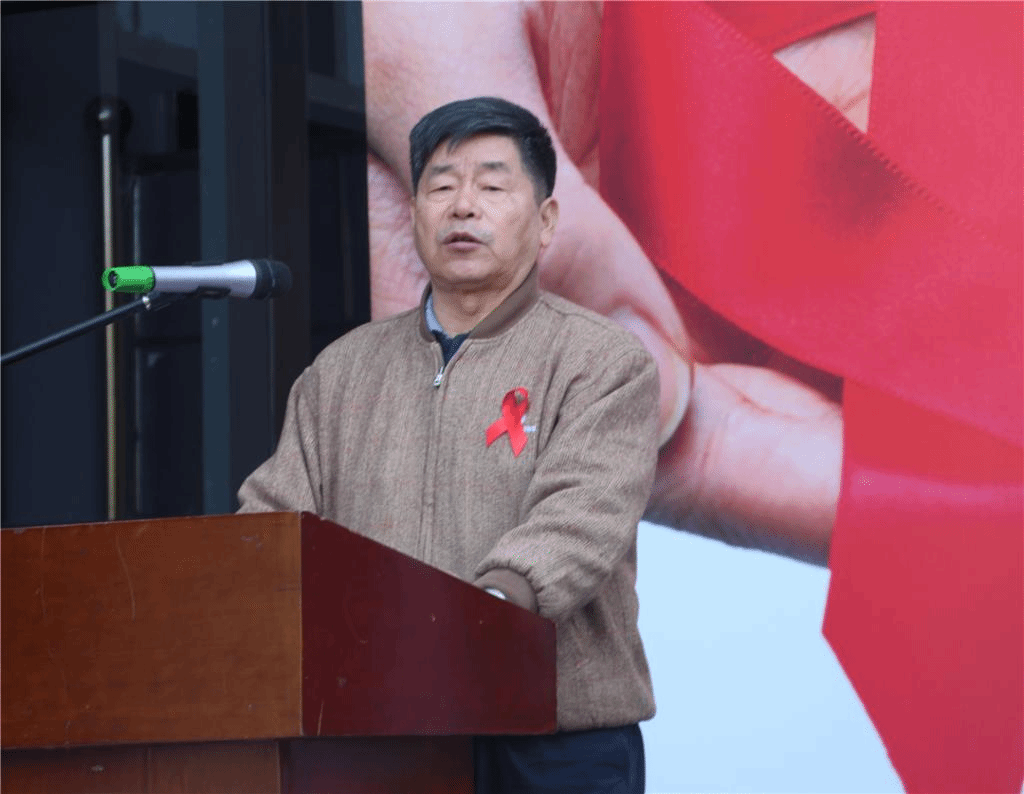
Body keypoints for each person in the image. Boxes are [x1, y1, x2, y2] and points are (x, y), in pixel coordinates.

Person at [239, 97, 658, 793]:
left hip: (554, 741)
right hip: (382, 732)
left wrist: (482, 611)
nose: (463, 207)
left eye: (491, 186)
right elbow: (273, 522)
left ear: (545, 221)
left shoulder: (602, 362)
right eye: (440, 187)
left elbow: (580, 519)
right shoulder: (340, 371)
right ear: (413, 216)